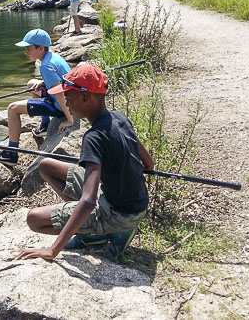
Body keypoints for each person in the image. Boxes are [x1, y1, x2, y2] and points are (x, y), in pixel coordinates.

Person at [15, 64, 154, 262]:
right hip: (134, 205)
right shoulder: (119, 118)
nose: (65, 102)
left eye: (68, 97)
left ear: (85, 98)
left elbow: (88, 201)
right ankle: (89, 229)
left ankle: (97, 232)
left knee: (34, 219)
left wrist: (52, 250)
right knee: (46, 166)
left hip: (118, 215)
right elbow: (149, 164)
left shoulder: (93, 137)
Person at [0, 29, 75, 166]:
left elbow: (59, 93)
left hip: (60, 105)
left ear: (40, 48)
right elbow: (59, 82)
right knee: (32, 84)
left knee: (12, 108)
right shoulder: (52, 57)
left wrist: (69, 120)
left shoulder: (46, 66)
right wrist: (43, 83)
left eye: (28, 48)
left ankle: (11, 154)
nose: (25, 52)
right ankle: (45, 125)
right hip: (70, 100)